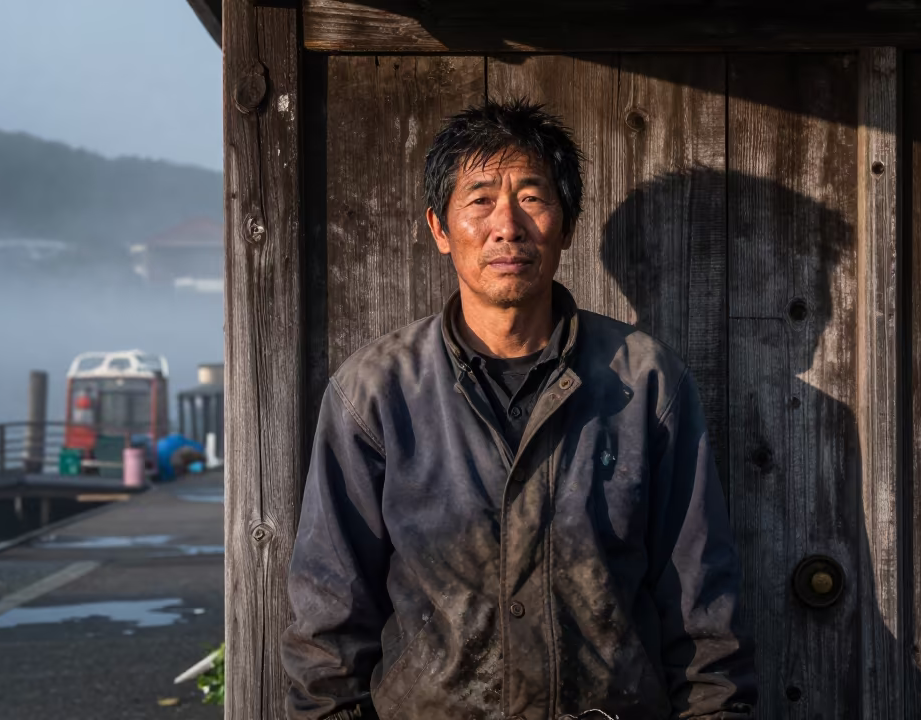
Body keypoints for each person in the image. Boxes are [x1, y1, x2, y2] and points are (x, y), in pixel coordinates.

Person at [282, 99, 756, 720]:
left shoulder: (645, 383)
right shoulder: (376, 392)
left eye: (532, 197)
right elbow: (328, 624)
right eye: (479, 200)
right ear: (440, 228)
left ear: (567, 224)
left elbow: (702, 611)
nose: (507, 225)